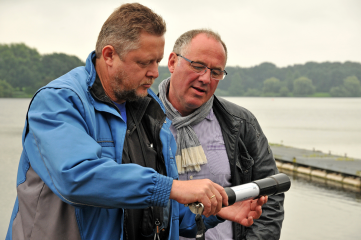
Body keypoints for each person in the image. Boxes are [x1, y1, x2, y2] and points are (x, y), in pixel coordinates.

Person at [6, 4, 267, 240]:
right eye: (144, 62)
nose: (155, 72)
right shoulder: (59, 102)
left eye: (157, 61)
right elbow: (76, 178)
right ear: (109, 55)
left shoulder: (149, 110)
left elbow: (164, 215)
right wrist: (172, 187)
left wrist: (218, 211)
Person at [158, 29, 285, 240]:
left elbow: (270, 197)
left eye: (216, 72)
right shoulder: (141, 121)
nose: (206, 78)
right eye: (198, 66)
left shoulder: (241, 124)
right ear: (172, 62)